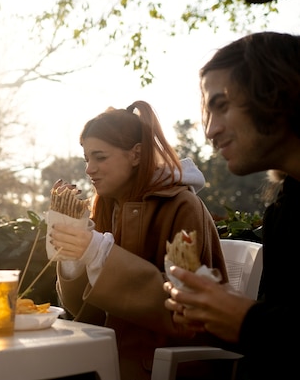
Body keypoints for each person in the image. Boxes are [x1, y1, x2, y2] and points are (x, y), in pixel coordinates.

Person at [50, 100, 228, 380]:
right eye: (87, 159)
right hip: (108, 355)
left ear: (136, 154)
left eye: (100, 157)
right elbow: (88, 314)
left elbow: (187, 309)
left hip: (163, 363)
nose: (89, 169)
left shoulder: (182, 206)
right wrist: (74, 256)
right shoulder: (107, 206)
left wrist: (98, 253)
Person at [164, 32, 299, 379]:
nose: (210, 130)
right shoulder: (285, 210)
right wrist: (213, 317)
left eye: (221, 106)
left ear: (279, 93)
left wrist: (244, 319)